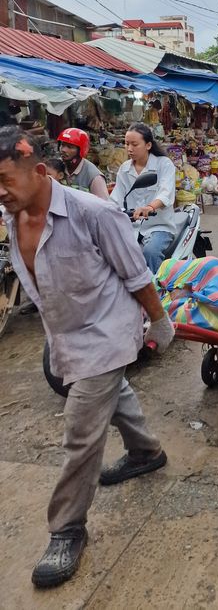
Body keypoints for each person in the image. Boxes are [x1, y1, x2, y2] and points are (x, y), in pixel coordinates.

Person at [0, 127, 173, 588]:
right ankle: (146, 452)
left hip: (108, 333)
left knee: (81, 430)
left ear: (39, 171)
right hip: (67, 334)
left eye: (5, 179)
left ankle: (67, 529)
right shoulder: (13, 216)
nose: (0, 191)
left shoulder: (94, 213)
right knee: (114, 395)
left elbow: (136, 275)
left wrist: (159, 322)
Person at [110, 123, 177, 274]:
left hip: (158, 226)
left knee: (151, 252)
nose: (129, 149)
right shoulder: (124, 169)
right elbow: (115, 199)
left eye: (134, 144)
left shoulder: (163, 164)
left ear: (148, 145)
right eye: (126, 144)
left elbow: (166, 193)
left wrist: (150, 207)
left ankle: (156, 287)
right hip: (131, 227)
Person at [57, 128, 109, 199]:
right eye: (62, 145)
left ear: (81, 151)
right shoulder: (56, 166)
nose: (63, 150)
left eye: (70, 147)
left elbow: (104, 204)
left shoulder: (94, 177)